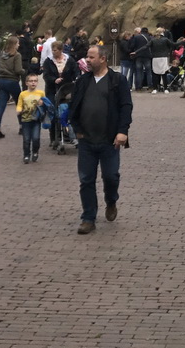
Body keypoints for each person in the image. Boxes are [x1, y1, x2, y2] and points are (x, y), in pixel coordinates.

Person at [69, 45, 133, 235]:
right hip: (86, 140)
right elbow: (74, 106)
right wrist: (77, 130)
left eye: (91, 57)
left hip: (109, 140)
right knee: (86, 179)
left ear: (103, 59)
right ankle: (88, 218)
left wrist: (123, 131)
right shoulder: (82, 81)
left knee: (111, 176)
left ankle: (111, 200)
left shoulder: (117, 80)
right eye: (87, 57)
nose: (87, 60)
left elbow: (126, 106)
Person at [41, 40, 75, 148]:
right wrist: (54, 79)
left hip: (66, 90)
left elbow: (76, 71)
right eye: (52, 50)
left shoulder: (69, 60)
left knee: (66, 111)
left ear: (61, 50)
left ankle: (68, 135)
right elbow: (45, 75)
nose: (53, 52)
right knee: (53, 112)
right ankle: (54, 137)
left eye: (55, 50)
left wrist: (75, 80)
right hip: (52, 89)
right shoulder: (48, 61)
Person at [0, 36, 23, 139]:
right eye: (17, 43)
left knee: (1, 106)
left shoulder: (1, 55)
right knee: (19, 104)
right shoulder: (17, 55)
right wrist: (25, 71)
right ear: (14, 44)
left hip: (1, 81)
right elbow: (18, 70)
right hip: (12, 81)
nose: (19, 45)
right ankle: (21, 126)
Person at [16, 73, 45, 164]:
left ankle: (35, 152)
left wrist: (42, 104)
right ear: (26, 83)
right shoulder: (23, 94)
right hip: (25, 120)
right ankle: (26, 154)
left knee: (36, 138)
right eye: (31, 81)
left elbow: (46, 104)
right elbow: (19, 105)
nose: (33, 83)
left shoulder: (41, 93)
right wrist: (19, 110)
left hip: (36, 120)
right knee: (26, 139)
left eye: (35, 81)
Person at [150, 27, 173, 93]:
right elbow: (173, 44)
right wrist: (182, 42)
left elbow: (146, 46)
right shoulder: (165, 39)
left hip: (155, 58)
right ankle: (165, 88)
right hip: (163, 58)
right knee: (164, 73)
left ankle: (155, 88)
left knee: (155, 73)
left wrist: (136, 52)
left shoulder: (153, 40)